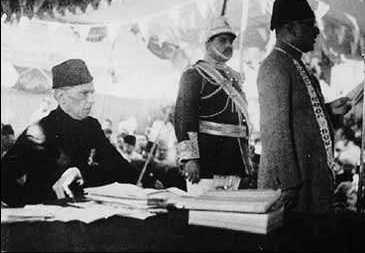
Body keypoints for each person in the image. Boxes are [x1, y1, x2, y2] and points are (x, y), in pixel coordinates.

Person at [257, 0, 352, 214]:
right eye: (310, 25)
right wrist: (288, 183)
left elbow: (300, 118)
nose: (316, 31)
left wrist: (329, 111)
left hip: (308, 177)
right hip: (293, 185)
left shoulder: (295, 63)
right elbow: (275, 130)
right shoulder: (274, 66)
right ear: (291, 28)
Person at [1, 59, 141, 207]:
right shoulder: (39, 132)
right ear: (61, 98)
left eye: (92, 93)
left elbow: (119, 167)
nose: (92, 100)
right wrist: (33, 205)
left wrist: (81, 172)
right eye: (84, 93)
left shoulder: (91, 126)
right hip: (48, 221)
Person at [174, 16, 255, 193]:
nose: (228, 45)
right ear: (208, 43)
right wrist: (190, 159)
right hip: (206, 160)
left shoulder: (232, 79)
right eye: (222, 40)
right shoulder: (194, 75)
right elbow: (183, 117)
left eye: (230, 42)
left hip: (234, 160)